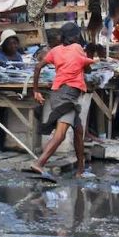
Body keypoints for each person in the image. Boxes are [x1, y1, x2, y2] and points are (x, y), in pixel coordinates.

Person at [31, 21, 94, 178]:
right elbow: (87, 69)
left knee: (78, 131)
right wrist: (88, 58)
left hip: (58, 94)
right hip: (68, 96)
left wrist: (36, 90)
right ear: (76, 36)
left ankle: (80, 170)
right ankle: (39, 163)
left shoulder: (56, 50)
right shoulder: (78, 48)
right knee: (60, 135)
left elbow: (38, 67)